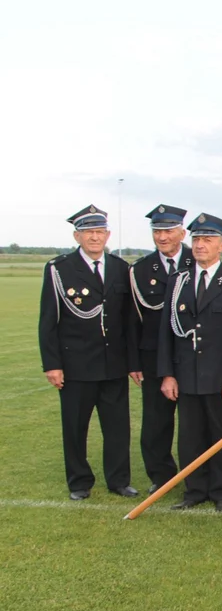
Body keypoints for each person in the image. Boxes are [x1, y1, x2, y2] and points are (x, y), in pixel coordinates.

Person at [39, 204, 139, 500]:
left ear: (107, 234)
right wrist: (52, 365)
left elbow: (129, 323)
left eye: (99, 232)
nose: (95, 237)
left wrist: (133, 363)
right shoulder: (60, 269)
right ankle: (79, 482)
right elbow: (48, 321)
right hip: (76, 365)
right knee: (75, 427)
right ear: (77, 236)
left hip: (113, 365)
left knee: (118, 428)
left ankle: (119, 480)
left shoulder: (121, 268)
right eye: (88, 232)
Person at [159, 213, 222, 512]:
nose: (201, 245)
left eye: (208, 240)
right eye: (197, 240)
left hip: (221, 377)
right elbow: (166, 332)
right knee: (188, 437)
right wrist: (167, 374)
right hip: (186, 375)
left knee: (221, 436)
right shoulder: (178, 282)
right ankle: (194, 490)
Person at [129, 204, 195, 492]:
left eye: (168, 231)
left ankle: (198, 473)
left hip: (195, 356)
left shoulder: (202, 259)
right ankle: (161, 476)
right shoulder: (140, 270)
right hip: (154, 356)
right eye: (157, 232)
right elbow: (131, 321)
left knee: (196, 420)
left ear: (182, 232)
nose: (163, 237)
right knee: (156, 421)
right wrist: (134, 361)